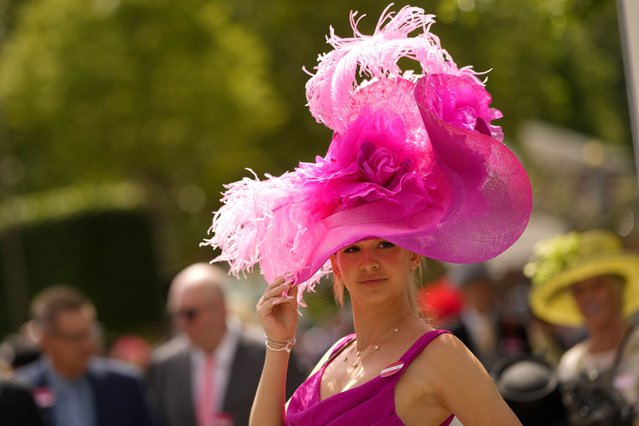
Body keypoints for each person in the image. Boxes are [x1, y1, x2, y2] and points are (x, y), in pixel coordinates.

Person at [202, 5, 532, 425]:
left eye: (385, 244)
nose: (369, 261)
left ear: (414, 253)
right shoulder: (332, 357)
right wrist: (278, 344)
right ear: (335, 264)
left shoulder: (441, 356)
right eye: (352, 248)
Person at [147, 262, 306, 426]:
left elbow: (298, 414)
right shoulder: (164, 364)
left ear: (220, 308)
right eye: (175, 314)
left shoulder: (270, 352)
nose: (181, 323)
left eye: (190, 314)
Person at [526, 229, 639, 425]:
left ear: (618, 289)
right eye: (579, 290)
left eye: (598, 285)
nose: (588, 297)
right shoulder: (571, 364)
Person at [14, 285, 159, 426]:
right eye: (75, 338)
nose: (87, 345)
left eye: (90, 333)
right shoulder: (20, 392)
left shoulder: (126, 385)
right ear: (45, 340)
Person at [447, 263, 531, 369]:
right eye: (472, 289)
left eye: (483, 287)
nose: (480, 294)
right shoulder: (451, 334)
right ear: (462, 293)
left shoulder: (514, 325)